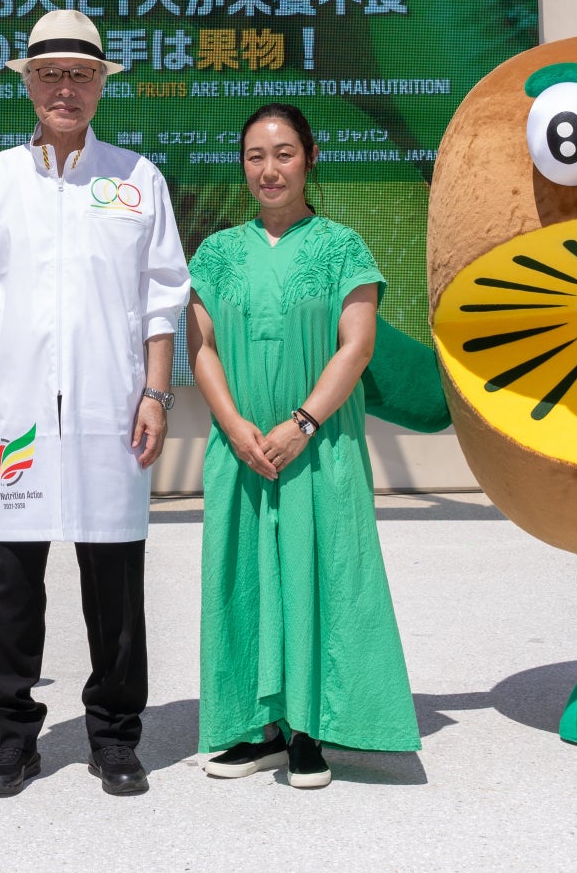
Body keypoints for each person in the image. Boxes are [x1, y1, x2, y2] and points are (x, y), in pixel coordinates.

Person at [0, 9, 190, 799]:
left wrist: (154, 390)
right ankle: (12, 736)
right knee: (10, 581)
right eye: (49, 74)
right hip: (13, 410)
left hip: (108, 412)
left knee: (114, 579)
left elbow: (162, 299)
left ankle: (115, 736)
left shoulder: (136, 178)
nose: (65, 89)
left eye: (81, 75)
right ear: (28, 83)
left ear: (101, 86)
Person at [185, 102, 420, 789]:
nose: (269, 169)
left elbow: (357, 346)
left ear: (310, 157)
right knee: (245, 577)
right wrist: (232, 425)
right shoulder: (218, 252)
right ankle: (260, 728)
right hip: (242, 448)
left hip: (319, 447)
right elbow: (202, 347)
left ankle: (312, 729)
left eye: (283, 153)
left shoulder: (343, 247)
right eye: (255, 156)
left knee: (322, 573)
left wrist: (304, 424)